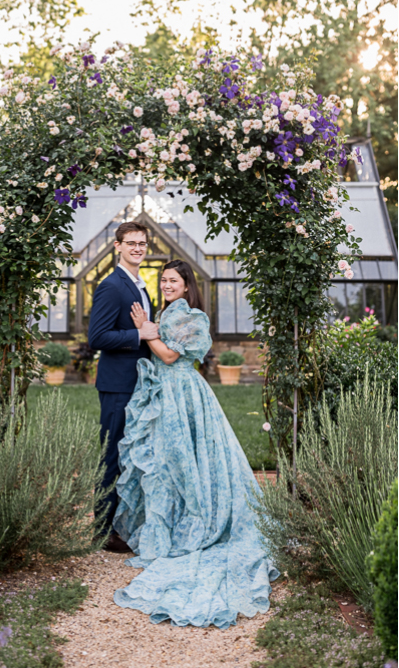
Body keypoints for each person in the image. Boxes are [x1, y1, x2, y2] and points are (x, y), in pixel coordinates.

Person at [113, 259, 278, 628]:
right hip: (163, 393)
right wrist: (149, 327)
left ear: (187, 285)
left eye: (173, 281)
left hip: (183, 394)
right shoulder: (166, 312)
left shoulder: (193, 317)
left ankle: (197, 522)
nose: (167, 285)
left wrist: (145, 330)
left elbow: (171, 356)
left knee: (186, 459)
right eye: (163, 281)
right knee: (166, 462)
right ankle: (168, 525)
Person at [87, 221, 159, 552]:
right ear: (117, 246)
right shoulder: (112, 286)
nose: (137, 248)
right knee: (113, 454)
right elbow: (97, 338)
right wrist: (138, 335)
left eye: (142, 244)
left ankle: (123, 524)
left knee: (129, 455)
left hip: (136, 383)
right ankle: (103, 531)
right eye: (131, 243)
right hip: (117, 385)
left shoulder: (139, 286)